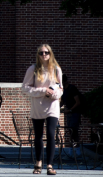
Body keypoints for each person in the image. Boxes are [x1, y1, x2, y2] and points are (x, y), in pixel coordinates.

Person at [22, 44, 63, 175]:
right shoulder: (33, 69)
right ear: (38, 55)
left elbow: (61, 88)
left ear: (50, 54)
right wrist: (42, 91)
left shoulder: (56, 69)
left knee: (51, 134)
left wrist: (54, 94)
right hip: (38, 106)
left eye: (46, 52)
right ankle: (38, 162)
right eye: (41, 53)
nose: (44, 55)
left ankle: (50, 165)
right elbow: (25, 88)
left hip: (52, 105)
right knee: (38, 135)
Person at [61, 74, 83, 156]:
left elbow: (78, 102)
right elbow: (62, 101)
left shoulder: (72, 88)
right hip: (69, 113)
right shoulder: (64, 90)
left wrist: (70, 110)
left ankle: (77, 151)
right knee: (70, 131)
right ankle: (71, 151)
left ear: (65, 81)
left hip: (74, 113)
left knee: (74, 131)